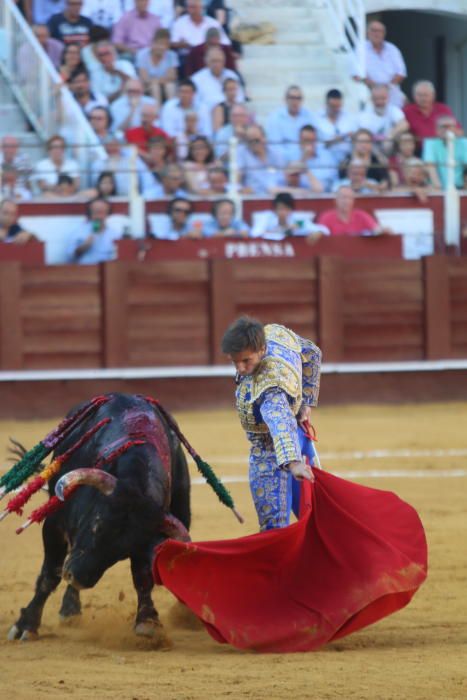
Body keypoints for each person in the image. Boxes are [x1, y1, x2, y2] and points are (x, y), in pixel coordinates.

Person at [221, 316, 321, 530]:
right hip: (301, 439)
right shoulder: (276, 334)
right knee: (315, 519)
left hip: (271, 455)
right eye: (235, 362)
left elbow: (279, 420)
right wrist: (306, 400)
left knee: (273, 530)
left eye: (246, 361)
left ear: (261, 349)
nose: (240, 368)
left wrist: (293, 463)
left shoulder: (270, 386)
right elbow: (312, 353)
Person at [357, 20, 407, 107]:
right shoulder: (360, 49)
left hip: (392, 94)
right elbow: (356, 74)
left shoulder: (392, 49)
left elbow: (401, 73)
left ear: (384, 33)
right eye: (373, 30)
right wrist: (376, 88)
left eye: (380, 31)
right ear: (367, 33)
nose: (377, 34)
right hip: (369, 94)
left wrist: (386, 87)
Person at [403, 80, 463, 145]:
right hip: (417, 149)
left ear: (433, 95)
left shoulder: (443, 109)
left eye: (426, 95)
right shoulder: (407, 111)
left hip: (441, 146)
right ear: (414, 96)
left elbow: (459, 131)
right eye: (419, 95)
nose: (423, 98)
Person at [266, 85, 315, 161]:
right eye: (292, 98)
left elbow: (314, 141)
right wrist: (295, 158)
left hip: (308, 160)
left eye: (298, 98)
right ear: (285, 99)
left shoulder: (309, 116)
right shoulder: (275, 118)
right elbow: (274, 147)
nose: (295, 101)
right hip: (283, 163)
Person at [251, 192, 328, 240]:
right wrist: (277, 231)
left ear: (291, 210)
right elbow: (254, 234)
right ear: (275, 210)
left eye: (286, 209)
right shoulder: (266, 217)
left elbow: (325, 230)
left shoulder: (298, 221)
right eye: (280, 209)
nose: (283, 212)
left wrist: (318, 232)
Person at [357, 84, 409, 155]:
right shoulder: (364, 115)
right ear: (371, 99)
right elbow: (365, 139)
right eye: (376, 99)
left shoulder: (393, 109)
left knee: (405, 137)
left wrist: (389, 136)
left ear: (388, 98)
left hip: (392, 150)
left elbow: (404, 124)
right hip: (371, 153)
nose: (379, 102)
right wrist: (380, 156)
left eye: (383, 98)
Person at [318, 185, 389, 236]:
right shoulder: (326, 217)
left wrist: (384, 231)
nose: (346, 201)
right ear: (336, 200)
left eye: (350, 198)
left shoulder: (361, 215)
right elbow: (319, 235)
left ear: (353, 201)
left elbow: (376, 230)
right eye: (343, 197)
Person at [191, 46, 244, 112]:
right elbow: (195, 103)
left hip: (231, 114)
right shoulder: (196, 79)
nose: (216, 64)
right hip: (207, 115)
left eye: (219, 61)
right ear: (206, 61)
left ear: (224, 61)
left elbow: (240, 97)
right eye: (213, 61)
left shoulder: (232, 75)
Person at [314, 89, 357, 166]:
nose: (336, 110)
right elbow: (316, 144)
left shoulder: (350, 118)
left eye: (338, 106)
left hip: (347, 161)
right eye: (333, 106)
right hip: (326, 161)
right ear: (326, 104)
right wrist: (335, 140)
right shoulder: (317, 119)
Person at [66, 197, 117, 263]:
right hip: (85, 270)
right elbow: (69, 258)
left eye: (102, 212)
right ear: (89, 213)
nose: (99, 216)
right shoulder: (78, 232)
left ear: (108, 214)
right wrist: (82, 248)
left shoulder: (115, 234)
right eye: (96, 212)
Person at [422, 116, 467, 190]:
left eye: (449, 126)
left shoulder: (464, 143)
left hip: (461, 187)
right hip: (438, 188)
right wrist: (438, 188)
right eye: (443, 126)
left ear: (455, 129)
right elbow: (430, 166)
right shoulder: (430, 143)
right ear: (437, 130)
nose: (447, 129)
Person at [136, 28, 179, 104]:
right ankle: (156, 112)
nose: (162, 47)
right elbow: (145, 79)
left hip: (165, 85)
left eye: (166, 44)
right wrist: (160, 81)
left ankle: (170, 110)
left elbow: (172, 76)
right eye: (160, 43)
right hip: (147, 87)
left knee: (170, 86)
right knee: (155, 87)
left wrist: (156, 81)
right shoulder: (142, 55)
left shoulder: (171, 55)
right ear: (153, 43)